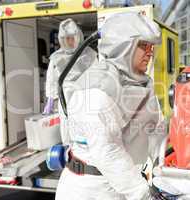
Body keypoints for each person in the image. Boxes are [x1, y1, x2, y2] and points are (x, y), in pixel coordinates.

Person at [55, 12, 166, 200]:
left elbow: (155, 128)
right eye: (143, 45)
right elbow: (107, 150)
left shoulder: (139, 82)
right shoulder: (97, 88)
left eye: (151, 47)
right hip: (90, 190)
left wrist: (165, 162)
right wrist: (142, 193)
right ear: (122, 46)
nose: (150, 52)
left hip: (122, 186)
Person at [43, 18, 97, 144]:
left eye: (72, 38)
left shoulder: (89, 54)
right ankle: (68, 150)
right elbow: (51, 78)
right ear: (62, 40)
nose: (70, 41)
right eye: (66, 38)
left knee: (85, 124)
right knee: (66, 124)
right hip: (65, 97)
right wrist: (51, 98)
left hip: (85, 96)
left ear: (78, 37)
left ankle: (86, 150)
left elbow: (97, 75)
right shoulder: (56, 57)